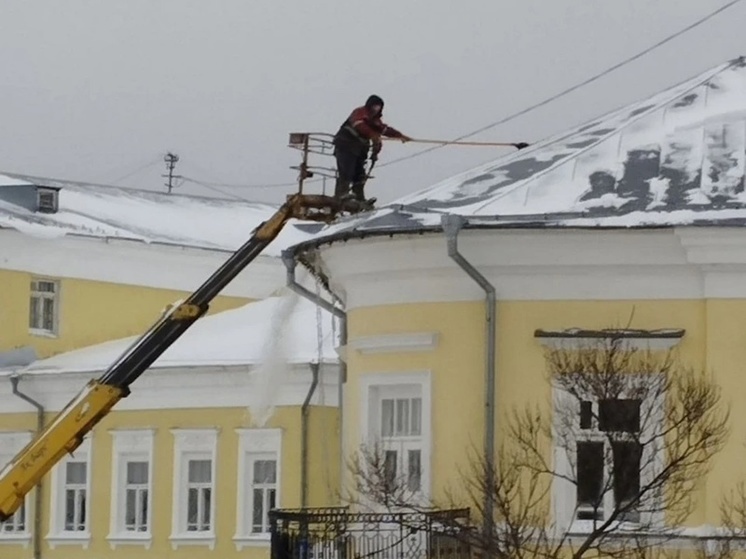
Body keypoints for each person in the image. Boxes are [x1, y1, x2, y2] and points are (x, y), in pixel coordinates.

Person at [333, 94, 410, 203]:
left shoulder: (375, 121)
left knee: (359, 174)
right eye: (375, 106)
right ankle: (342, 195)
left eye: (378, 107)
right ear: (369, 105)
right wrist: (373, 136)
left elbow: (384, 130)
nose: (376, 109)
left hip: (359, 150)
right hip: (345, 145)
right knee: (346, 171)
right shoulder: (360, 112)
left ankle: (359, 198)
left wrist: (399, 135)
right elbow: (360, 126)